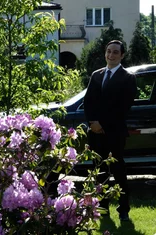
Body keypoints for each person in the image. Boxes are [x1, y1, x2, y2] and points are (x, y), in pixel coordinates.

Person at [83, 40, 137, 221]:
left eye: (115, 52)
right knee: (100, 173)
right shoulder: (96, 75)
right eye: (108, 51)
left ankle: (123, 210)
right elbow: (88, 102)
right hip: (96, 134)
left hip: (114, 134)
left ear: (122, 55)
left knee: (119, 172)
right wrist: (92, 122)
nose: (111, 55)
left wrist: (102, 124)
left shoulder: (128, 78)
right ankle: (102, 208)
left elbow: (123, 107)